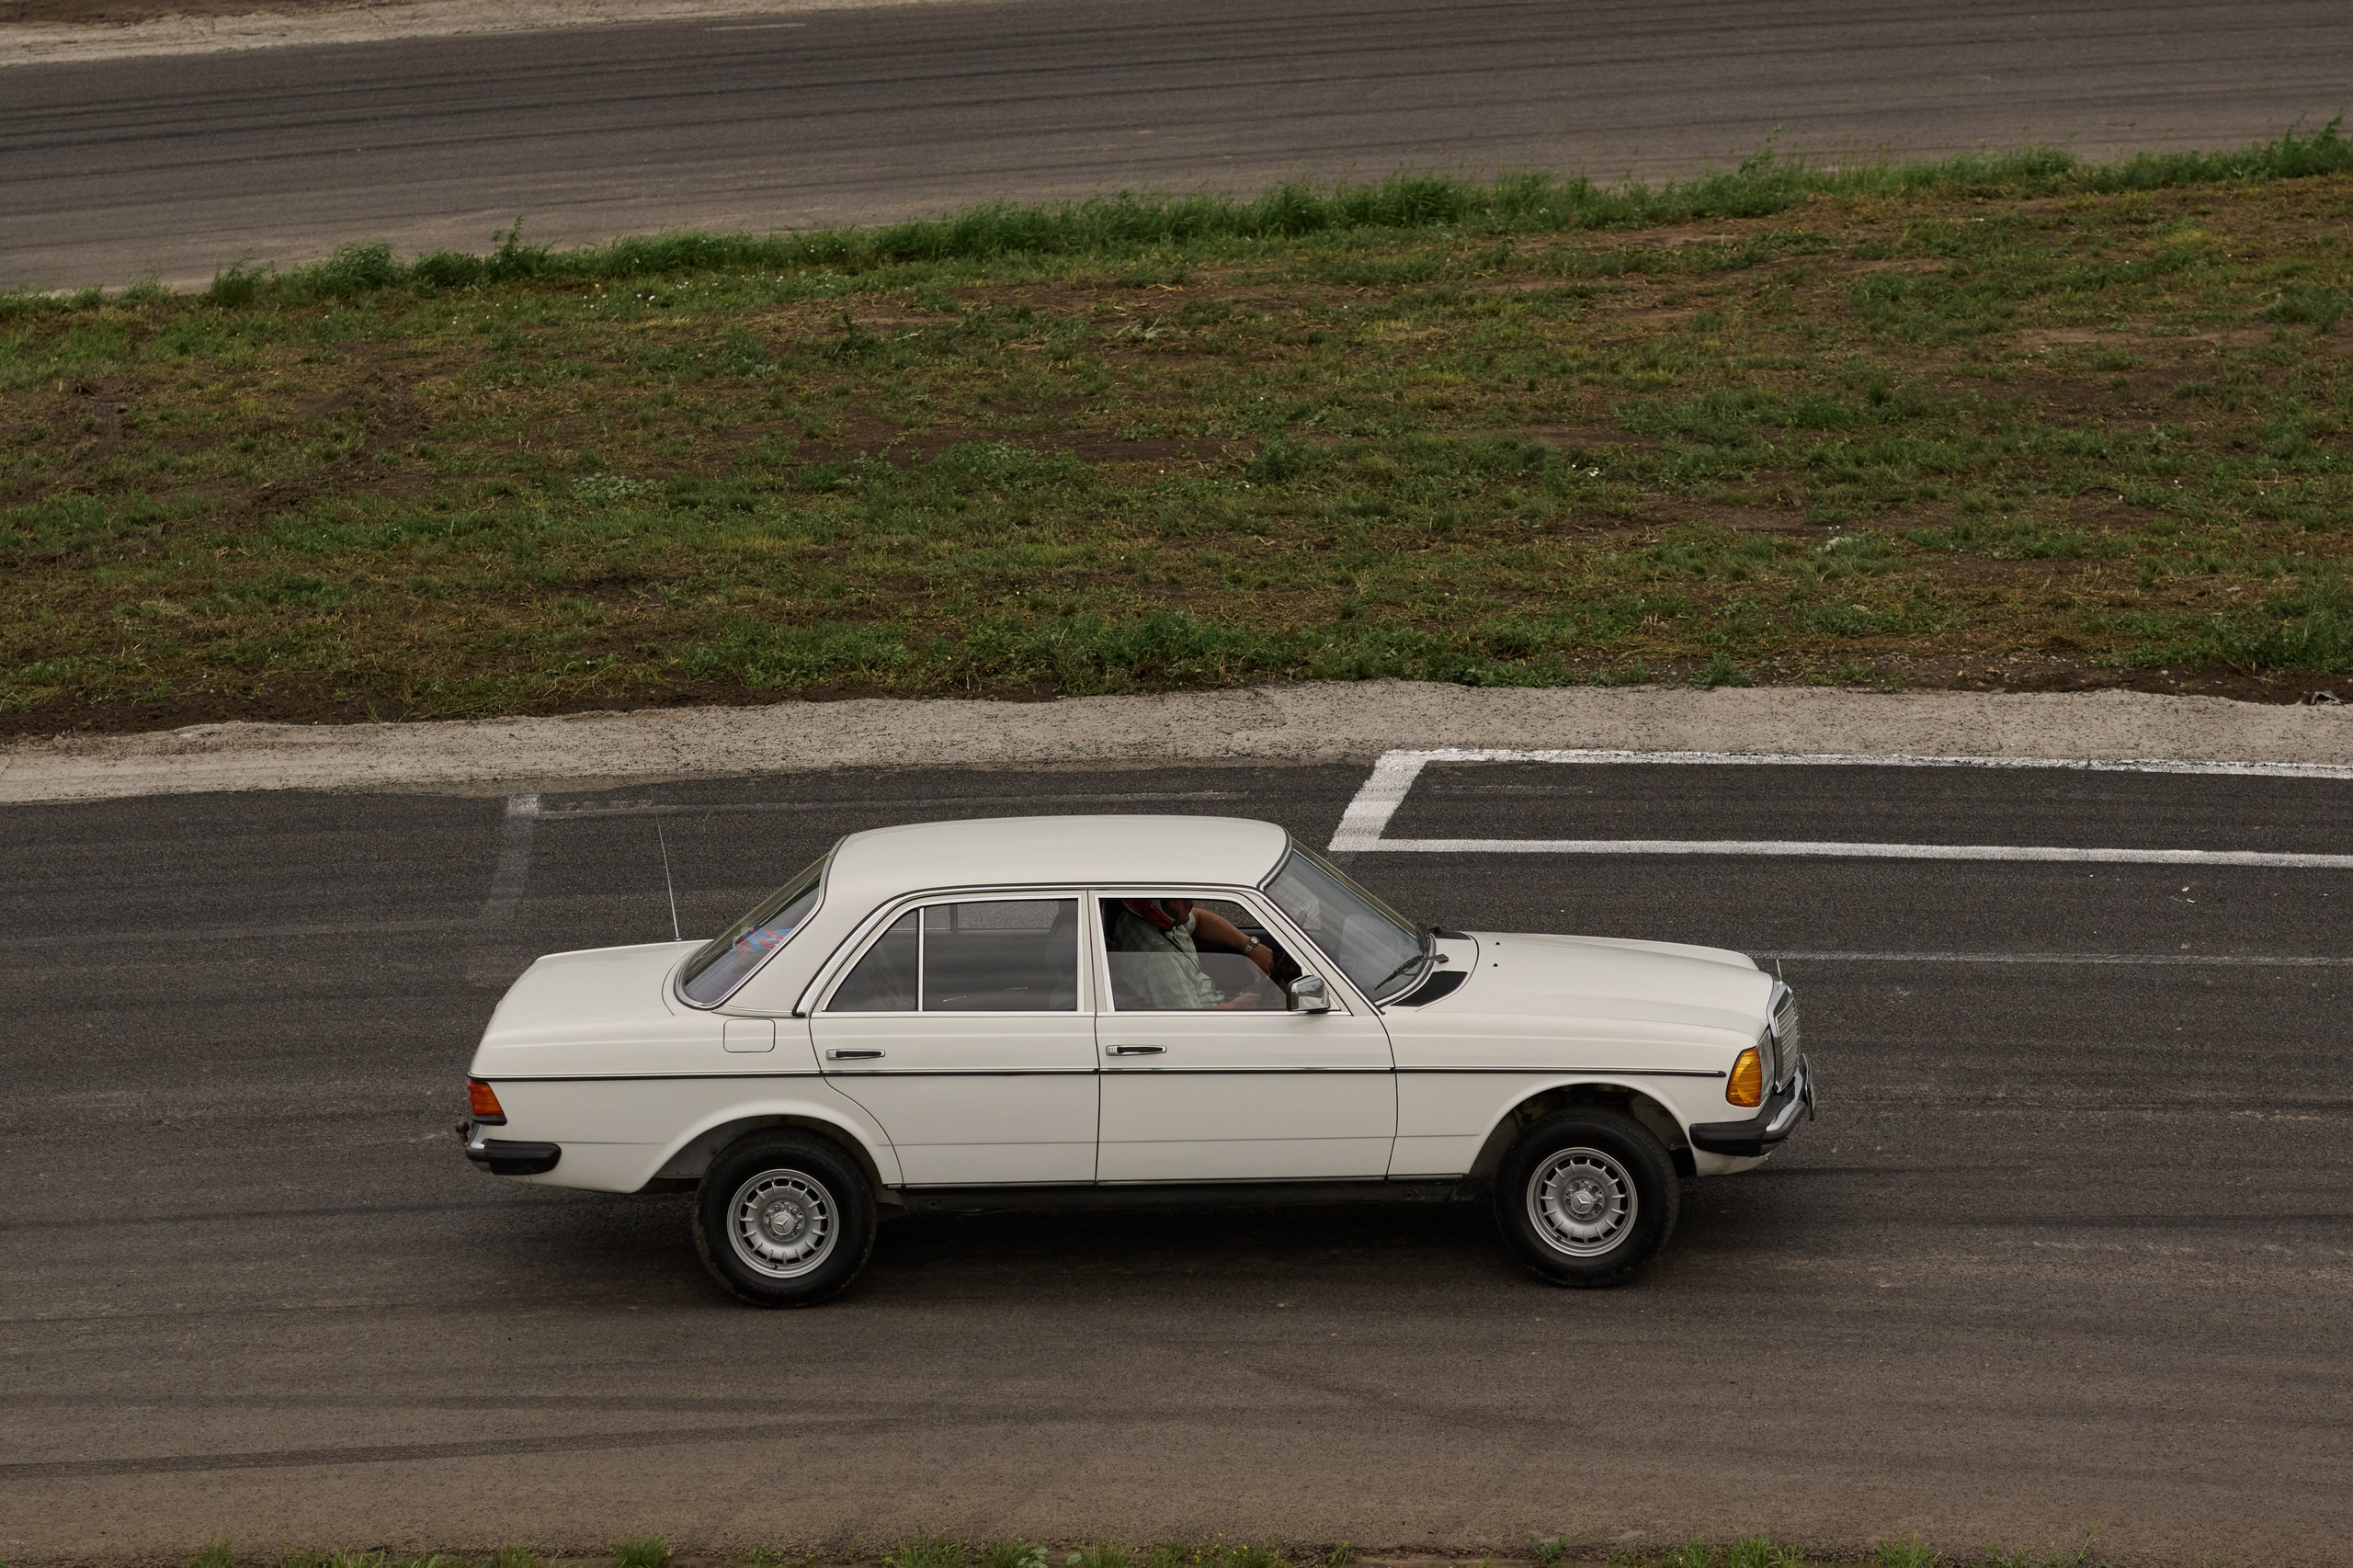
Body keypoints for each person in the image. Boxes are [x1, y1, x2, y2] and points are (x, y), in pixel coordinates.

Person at [1104, 897, 1277, 1010]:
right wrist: (1233, 1007)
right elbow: (1191, 1024)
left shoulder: (1155, 920)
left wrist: (1249, 947)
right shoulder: (1159, 961)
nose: (1190, 902)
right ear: (1154, 904)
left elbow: (1200, 919)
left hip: (1214, 1002)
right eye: (1179, 899)